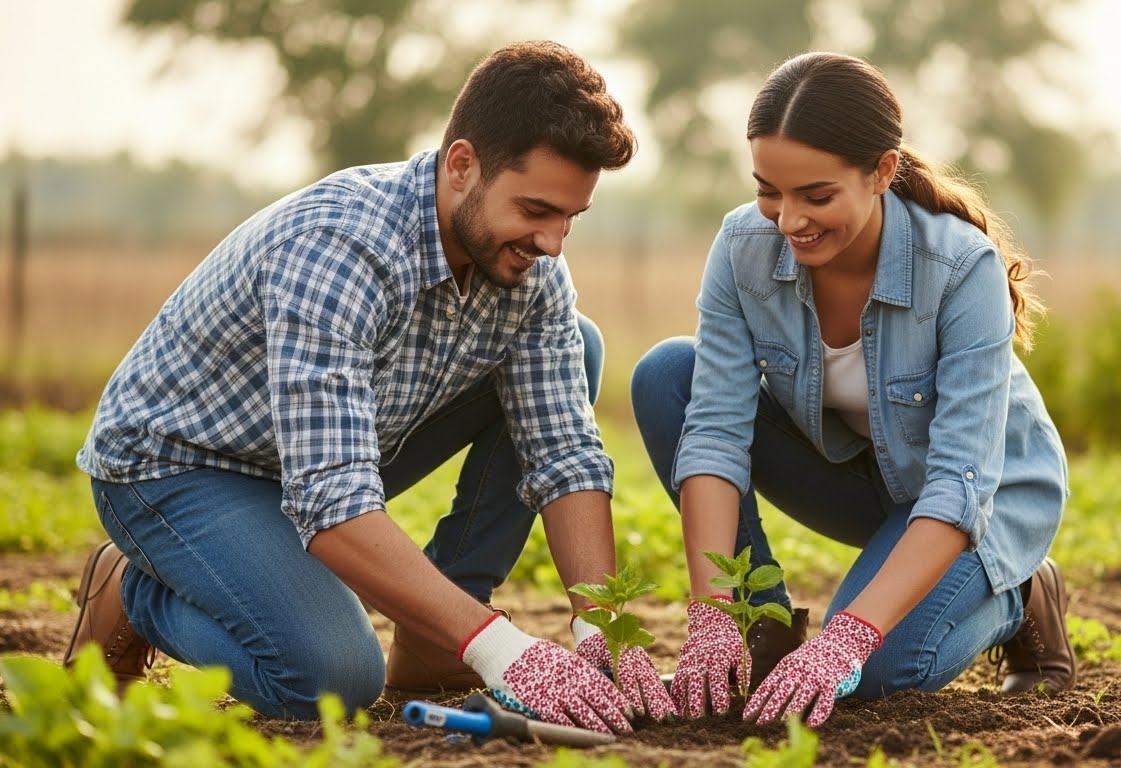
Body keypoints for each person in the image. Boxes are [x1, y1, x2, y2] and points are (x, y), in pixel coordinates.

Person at [64, 40, 676, 732]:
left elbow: (563, 453)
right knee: (329, 683)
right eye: (535, 209)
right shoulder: (338, 246)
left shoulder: (526, 273)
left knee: (578, 344)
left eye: (570, 217)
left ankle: (433, 640)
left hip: (323, 452)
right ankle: (135, 589)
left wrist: (603, 632)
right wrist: (503, 648)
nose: (552, 242)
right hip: (181, 467)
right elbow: (331, 497)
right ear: (461, 166)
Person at [631, 51, 1074, 727]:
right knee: (667, 375)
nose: (787, 221)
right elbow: (716, 432)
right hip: (855, 476)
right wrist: (714, 611)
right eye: (768, 191)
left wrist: (847, 640)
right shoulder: (741, 247)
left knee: (880, 675)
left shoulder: (958, 269)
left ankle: (1020, 592)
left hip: (975, 499)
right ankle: (763, 634)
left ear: (881, 173)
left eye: (815, 196)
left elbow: (958, 486)